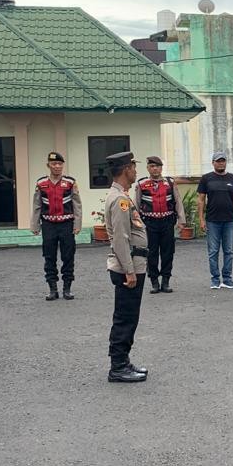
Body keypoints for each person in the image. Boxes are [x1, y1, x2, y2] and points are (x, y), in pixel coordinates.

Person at [104, 151, 150, 383]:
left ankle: (124, 360)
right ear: (124, 170)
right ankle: (118, 366)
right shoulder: (120, 200)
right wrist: (130, 271)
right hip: (127, 268)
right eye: (133, 166)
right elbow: (120, 238)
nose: (135, 170)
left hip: (132, 264)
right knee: (125, 318)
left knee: (129, 317)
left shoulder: (121, 195)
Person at [30, 152, 82, 301]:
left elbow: (77, 204)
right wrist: (35, 225)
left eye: (60, 164)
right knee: (49, 257)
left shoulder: (70, 182)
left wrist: (77, 224)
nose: (57, 166)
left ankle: (67, 288)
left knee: (68, 256)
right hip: (48, 225)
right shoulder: (41, 183)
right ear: (48, 165)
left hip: (66, 224)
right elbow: (37, 205)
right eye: (54, 164)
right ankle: (52, 289)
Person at [137, 156, 187, 294]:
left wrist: (181, 220)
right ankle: (154, 282)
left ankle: (166, 281)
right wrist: (137, 225)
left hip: (167, 222)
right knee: (151, 253)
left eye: (158, 166)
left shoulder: (170, 183)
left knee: (168, 252)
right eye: (152, 166)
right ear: (148, 168)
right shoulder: (142, 184)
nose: (155, 169)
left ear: (161, 168)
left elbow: (178, 202)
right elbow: (136, 205)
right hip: (150, 223)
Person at [197, 151, 233, 290]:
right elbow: (201, 200)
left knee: (228, 251)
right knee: (213, 252)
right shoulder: (206, 179)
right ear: (213, 163)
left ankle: (227, 279)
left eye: (223, 161)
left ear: (225, 162)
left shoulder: (232, 179)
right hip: (212, 220)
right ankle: (215, 280)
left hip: (229, 220)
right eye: (218, 161)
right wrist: (201, 219)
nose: (220, 163)